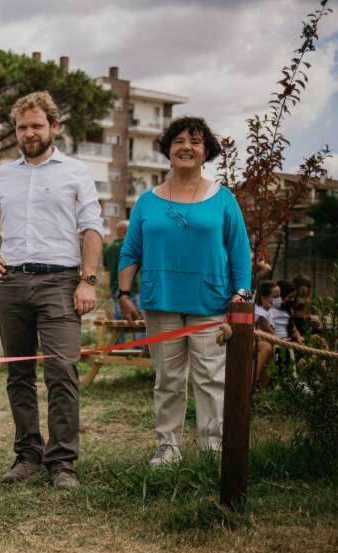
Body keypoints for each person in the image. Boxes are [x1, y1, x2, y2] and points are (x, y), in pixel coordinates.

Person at [0, 91, 104, 490]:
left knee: (62, 371)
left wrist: (87, 281)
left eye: (37, 125)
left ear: (54, 127)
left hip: (61, 282)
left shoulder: (76, 172)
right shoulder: (4, 175)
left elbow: (92, 228)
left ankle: (62, 463)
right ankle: (27, 454)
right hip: (12, 283)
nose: (29, 133)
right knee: (18, 373)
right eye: (22, 127)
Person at [118, 116, 251, 466]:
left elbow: (239, 251)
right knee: (168, 380)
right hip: (161, 302)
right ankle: (168, 447)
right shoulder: (148, 201)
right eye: (178, 141)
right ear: (167, 149)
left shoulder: (223, 199)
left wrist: (241, 292)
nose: (186, 147)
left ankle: (212, 448)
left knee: (210, 379)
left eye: (195, 141)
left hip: (210, 302)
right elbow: (131, 250)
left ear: (206, 151)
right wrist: (123, 294)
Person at [103, 219, 141, 341]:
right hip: (133, 287)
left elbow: (106, 268)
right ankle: (139, 345)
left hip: (115, 288)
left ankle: (119, 345)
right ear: (127, 231)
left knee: (119, 318)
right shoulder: (132, 246)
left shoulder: (108, 248)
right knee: (138, 318)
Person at [253, 281, 277, 391]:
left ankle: (263, 388)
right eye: (274, 297)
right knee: (267, 347)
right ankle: (250, 383)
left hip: (259, 339)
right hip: (250, 339)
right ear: (263, 298)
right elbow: (270, 333)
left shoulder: (268, 312)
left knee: (271, 347)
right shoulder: (259, 312)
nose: (276, 300)